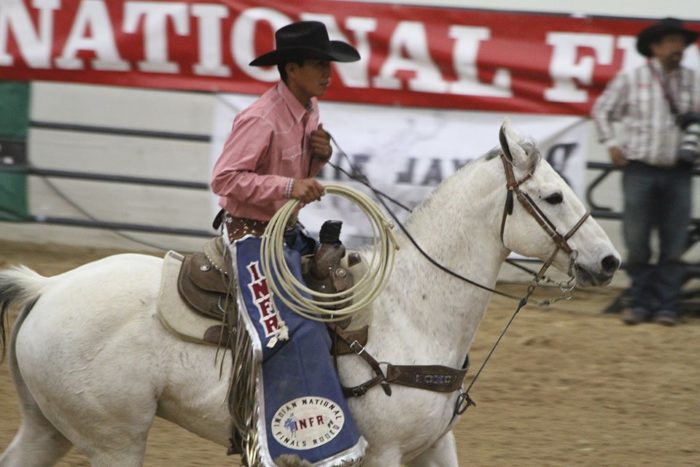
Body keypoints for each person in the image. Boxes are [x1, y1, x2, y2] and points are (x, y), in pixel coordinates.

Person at [211, 20, 360, 254]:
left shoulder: (310, 106)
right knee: (277, 292)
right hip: (248, 229)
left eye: (328, 65)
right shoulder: (261, 119)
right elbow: (223, 179)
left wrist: (320, 156)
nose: (327, 73)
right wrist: (290, 187)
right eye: (318, 65)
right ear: (292, 69)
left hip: (284, 227)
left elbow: (297, 172)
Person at [592, 17, 700, 326]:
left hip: (678, 171)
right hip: (638, 169)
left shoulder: (694, 81)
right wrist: (611, 143)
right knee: (637, 241)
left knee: (674, 242)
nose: (676, 47)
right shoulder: (631, 78)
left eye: (680, 42)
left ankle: (666, 306)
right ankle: (640, 302)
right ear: (654, 47)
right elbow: (602, 110)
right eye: (669, 42)